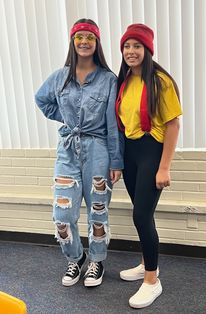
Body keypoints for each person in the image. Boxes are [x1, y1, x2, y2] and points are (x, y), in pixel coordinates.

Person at [35, 19, 123, 288]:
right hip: (68, 150)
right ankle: (76, 257)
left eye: (90, 37)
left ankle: (97, 260)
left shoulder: (109, 80)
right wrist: (68, 119)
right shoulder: (59, 77)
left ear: (96, 43)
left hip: (98, 150)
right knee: (62, 216)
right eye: (79, 37)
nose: (84, 42)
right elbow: (41, 100)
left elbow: (112, 123)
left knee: (98, 211)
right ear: (73, 42)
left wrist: (116, 160)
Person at [115, 23, 182, 309]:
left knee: (141, 216)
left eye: (137, 46)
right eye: (127, 46)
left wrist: (164, 167)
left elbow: (173, 124)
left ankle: (152, 281)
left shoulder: (160, 81)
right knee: (143, 214)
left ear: (147, 50)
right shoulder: (125, 79)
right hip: (130, 152)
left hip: (151, 152)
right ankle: (146, 264)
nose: (131, 51)